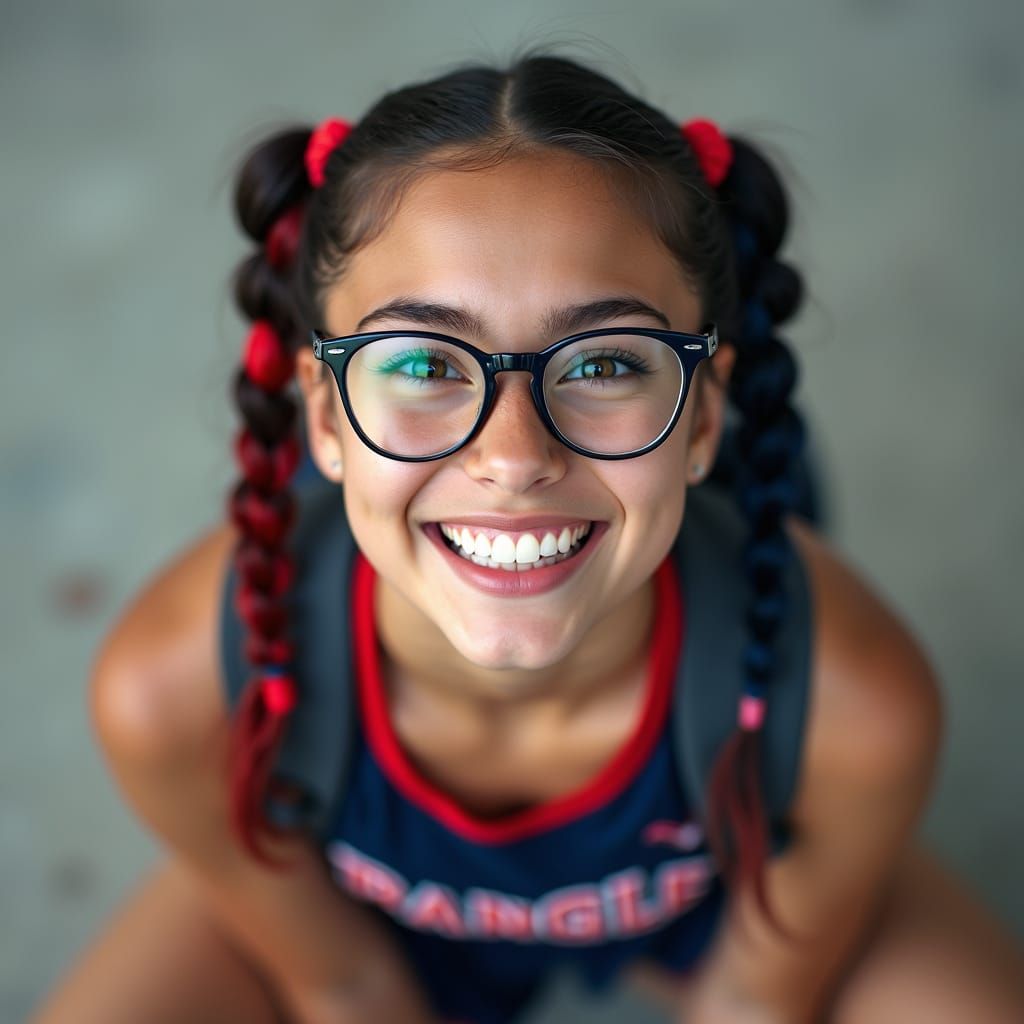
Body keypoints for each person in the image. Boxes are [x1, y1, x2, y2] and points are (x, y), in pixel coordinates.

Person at [32, 50, 1024, 1024]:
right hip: (366, 924)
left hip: (728, 895)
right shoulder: (181, 694)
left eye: (602, 364)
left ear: (703, 417)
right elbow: (345, 989)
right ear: (324, 418)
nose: (513, 459)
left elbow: (755, 998)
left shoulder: (848, 712)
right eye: (424, 364)